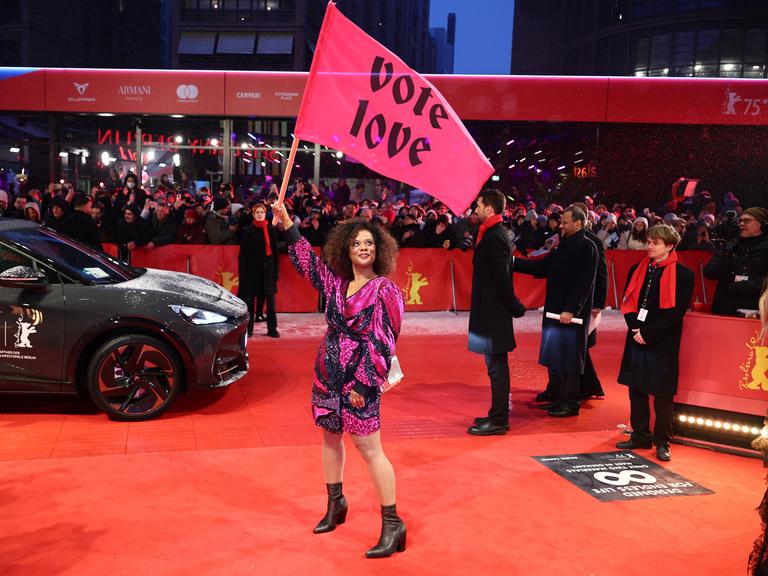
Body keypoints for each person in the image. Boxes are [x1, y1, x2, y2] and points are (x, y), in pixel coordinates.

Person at [273, 202, 406, 559]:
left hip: (360, 379)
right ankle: (336, 503)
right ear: (345, 248)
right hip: (326, 373)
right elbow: (307, 263)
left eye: (369, 244)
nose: (364, 248)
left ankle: (393, 523)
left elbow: (385, 340)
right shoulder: (335, 281)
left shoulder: (384, 291)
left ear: (379, 250)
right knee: (330, 437)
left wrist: (365, 383)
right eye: (357, 243)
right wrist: (287, 223)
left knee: (369, 449)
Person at [615, 224, 694, 462]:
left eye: (655, 243)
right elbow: (627, 300)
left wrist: (648, 333)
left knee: (662, 393)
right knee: (636, 387)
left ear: (670, 246)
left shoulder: (684, 275)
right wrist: (635, 327)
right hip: (636, 334)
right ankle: (640, 434)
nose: (649, 246)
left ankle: (662, 441)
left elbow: (675, 313)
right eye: (649, 242)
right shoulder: (636, 269)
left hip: (663, 340)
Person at [513, 206, 598, 417]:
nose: (561, 225)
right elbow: (541, 268)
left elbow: (584, 283)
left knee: (570, 358)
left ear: (578, 223)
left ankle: (570, 403)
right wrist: (512, 261)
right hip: (555, 310)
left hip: (571, 314)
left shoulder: (587, 247)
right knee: (558, 356)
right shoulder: (563, 247)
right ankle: (560, 397)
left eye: (566, 222)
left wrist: (571, 310)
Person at [466, 189, 525, 436]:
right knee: (494, 367)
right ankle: (496, 414)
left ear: (489, 209)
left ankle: (500, 419)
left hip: (494, 313)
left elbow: (502, 278)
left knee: (497, 367)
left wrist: (514, 306)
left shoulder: (495, 236)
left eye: (478, 205)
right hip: (489, 311)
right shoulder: (489, 234)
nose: (475, 210)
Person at [704, 207, 768, 316]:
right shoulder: (730, 246)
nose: (742, 224)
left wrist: (739, 286)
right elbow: (709, 272)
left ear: (763, 224)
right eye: (740, 221)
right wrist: (726, 252)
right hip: (724, 310)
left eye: (747, 221)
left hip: (755, 311)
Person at [238, 202, 279, 338]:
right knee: (250, 304)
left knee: (271, 305)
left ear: (265, 213)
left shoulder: (271, 230)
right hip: (252, 273)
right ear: (253, 214)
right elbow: (243, 255)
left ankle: (272, 329)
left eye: (262, 212)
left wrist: (275, 273)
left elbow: (275, 253)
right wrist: (243, 274)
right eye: (257, 212)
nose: (260, 215)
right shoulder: (247, 231)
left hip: (268, 273)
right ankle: (248, 330)